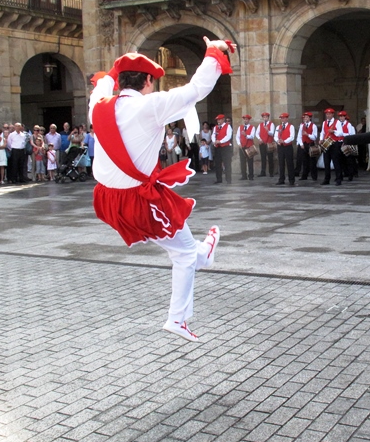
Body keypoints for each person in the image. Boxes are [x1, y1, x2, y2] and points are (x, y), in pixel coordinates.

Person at [89, 39, 233, 342]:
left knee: (181, 246)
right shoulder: (149, 106)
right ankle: (177, 319)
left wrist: (107, 77)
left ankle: (204, 254)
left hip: (106, 200)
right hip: (139, 200)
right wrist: (212, 53)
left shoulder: (97, 107)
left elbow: (101, 87)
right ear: (149, 80)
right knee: (182, 256)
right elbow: (195, 90)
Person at [320, 108, 343, 186]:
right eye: (327, 114)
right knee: (326, 162)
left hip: (334, 144)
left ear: (333, 114)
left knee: (336, 162)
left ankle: (338, 179)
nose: (328, 115)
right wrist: (321, 139)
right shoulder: (324, 123)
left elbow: (340, 133)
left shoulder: (337, 122)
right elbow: (322, 132)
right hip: (327, 143)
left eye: (329, 114)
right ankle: (327, 179)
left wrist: (334, 131)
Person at [274, 112, 295, 186]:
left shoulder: (291, 126)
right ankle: (281, 179)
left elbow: (292, 137)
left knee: (290, 163)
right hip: (280, 146)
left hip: (288, 146)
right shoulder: (278, 127)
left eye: (283, 118)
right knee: (281, 163)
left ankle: (291, 180)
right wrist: (278, 141)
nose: (282, 119)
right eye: (281, 118)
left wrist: (284, 141)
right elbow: (275, 136)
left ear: (287, 118)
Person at [335, 111, 357, 180]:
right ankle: (340, 175)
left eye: (342, 116)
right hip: (339, 142)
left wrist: (342, 134)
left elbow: (350, 134)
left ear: (345, 117)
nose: (341, 118)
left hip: (346, 143)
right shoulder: (337, 124)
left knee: (348, 160)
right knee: (339, 160)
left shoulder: (348, 124)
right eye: (340, 116)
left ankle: (350, 175)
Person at [212, 113, 233, 185]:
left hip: (225, 147)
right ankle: (219, 179)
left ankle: (228, 179)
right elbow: (213, 135)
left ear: (223, 119)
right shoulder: (216, 127)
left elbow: (228, 136)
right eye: (217, 120)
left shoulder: (228, 126)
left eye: (219, 120)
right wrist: (214, 141)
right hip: (218, 147)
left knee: (227, 163)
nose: (218, 121)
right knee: (217, 163)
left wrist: (220, 141)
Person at [297, 111, 318, 181]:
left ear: (310, 118)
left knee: (312, 161)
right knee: (304, 161)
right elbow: (299, 135)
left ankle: (314, 176)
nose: (305, 118)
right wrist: (301, 144)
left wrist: (308, 135)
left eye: (307, 117)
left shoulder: (313, 126)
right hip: (304, 144)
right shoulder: (302, 125)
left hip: (310, 144)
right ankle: (304, 175)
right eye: (304, 117)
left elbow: (315, 137)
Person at [236, 114, 256, 181]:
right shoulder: (240, 127)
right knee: (242, 161)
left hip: (249, 146)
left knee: (250, 161)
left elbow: (252, 136)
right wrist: (239, 143)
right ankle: (244, 175)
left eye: (246, 119)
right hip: (242, 146)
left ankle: (251, 176)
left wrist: (246, 135)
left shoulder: (252, 127)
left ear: (249, 120)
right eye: (244, 119)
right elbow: (237, 136)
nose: (245, 120)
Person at [257, 112, 275, 177]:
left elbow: (272, 133)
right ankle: (263, 172)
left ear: (268, 117)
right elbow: (257, 133)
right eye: (264, 117)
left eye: (266, 117)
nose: (265, 118)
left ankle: (271, 172)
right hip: (262, 143)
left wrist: (268, 130)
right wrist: (259, 139)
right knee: (263, 157)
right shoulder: (260, 125)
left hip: (269, 143)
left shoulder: (271, 124)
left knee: (270, 157)